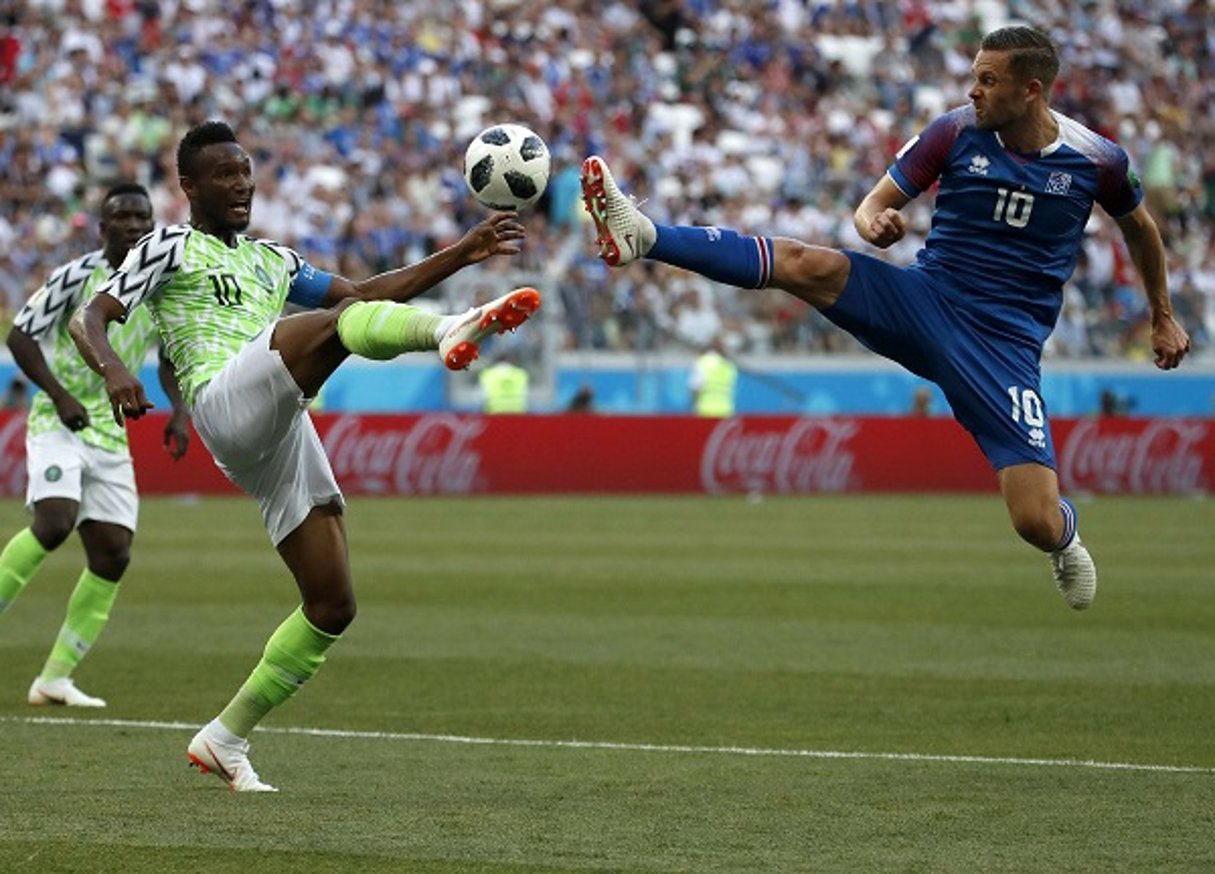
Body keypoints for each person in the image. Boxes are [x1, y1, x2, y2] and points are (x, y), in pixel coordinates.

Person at [580, 26, 1191, 611]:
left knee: (1033, 519)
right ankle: (646, 235)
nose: (972, 90)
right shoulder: (953, 132)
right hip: (928, 302)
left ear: (1030, 89)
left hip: (1003, 347)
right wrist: (873, 223)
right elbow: (873, 205)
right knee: (804, 262)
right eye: (972, 76)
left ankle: (1064, 539)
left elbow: (1140, 228)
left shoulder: (1097, 159)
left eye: (986, 79)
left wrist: (1161, 316)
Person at [70, 120, 541, 791]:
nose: (240, 184)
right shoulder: (166, 246)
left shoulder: (274, 260)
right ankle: (447, 331)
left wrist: (460, 252)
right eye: (223, 174)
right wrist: (116, 368)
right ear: (189, 186)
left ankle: (224, 739)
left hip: (278, 423)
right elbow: (88, 318)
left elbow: (364, 297)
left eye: (244, 171)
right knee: (330, 327)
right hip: (221, 398)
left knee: (332, 604)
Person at [0, 182, 190, 707]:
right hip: (61, 419)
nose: (133, 225)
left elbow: (171, 358)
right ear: (102, 229)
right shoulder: (77, 276)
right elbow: (20, 335)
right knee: (55, 522)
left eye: (141, 216)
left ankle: (54, 678)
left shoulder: (158, 285)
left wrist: (179, 411)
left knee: (113, 553)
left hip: (111, 429)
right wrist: (58, 395)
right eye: (121, 217)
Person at [689, 335, 738, 417]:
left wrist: (694, 406)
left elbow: (695, 388)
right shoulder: (730, 365)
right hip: (726, 410)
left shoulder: (702, 362)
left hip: (705, 410)